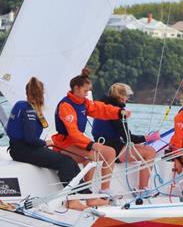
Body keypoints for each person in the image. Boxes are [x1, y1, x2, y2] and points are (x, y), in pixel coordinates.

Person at [6, 77, 86, 211]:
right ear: (41, 95)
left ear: (27, 92)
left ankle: (86, 193)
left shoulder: (21, 105)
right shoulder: (29, 110)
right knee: (64, 162)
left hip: (19, 148)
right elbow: (31, 139)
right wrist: (46, 142)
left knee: (70, 161)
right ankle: (71, 200)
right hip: (24, 150)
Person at [52, 70, 127, 206]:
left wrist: (118, 112)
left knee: (110, 152)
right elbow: (73, 132)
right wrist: (91, 144)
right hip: (63, 144)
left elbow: (101, 109)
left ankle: (105, 190)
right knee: (92, 155)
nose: (87, 93)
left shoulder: (84, 103)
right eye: (85, 90)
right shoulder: (66, 105)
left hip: (77, 142)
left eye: (88, 91)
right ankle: (88, 196)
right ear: (76, 89)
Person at [92, 83, 159, 191]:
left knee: (140, 146)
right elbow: (129, 137)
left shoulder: (102, 107)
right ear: (121, 98)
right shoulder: (116, 112)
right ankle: (142, 190)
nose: (127, 99)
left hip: (102, 145)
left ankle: (142, 188)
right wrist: (149, 138)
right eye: (126, 97)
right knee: (150, 152)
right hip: (114, 149)